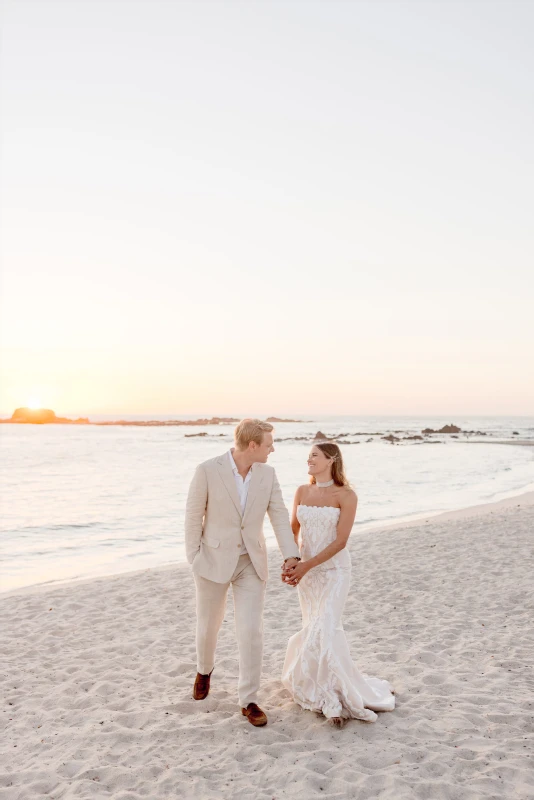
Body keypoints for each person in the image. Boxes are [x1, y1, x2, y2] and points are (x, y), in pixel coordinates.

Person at [185, 418, 300, 727]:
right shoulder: (207, 470)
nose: (272, 449)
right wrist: (194, 557)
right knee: (209, 625)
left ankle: (248, 700)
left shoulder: (268, 474)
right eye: (268, 444)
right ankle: (204, 669)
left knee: (251, 630)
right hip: (211, 561)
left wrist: (291, 554)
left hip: (251, 561)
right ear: (253, 445)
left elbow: (278, 515)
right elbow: (193, 516)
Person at [282, 441, 395, 727]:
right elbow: (292, 532)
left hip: (334, 571)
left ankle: (332, 699)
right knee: (313, 626)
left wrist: (308, 564)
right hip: (308, 576)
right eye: (308, 455)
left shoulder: (346, 495)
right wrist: (292, 562)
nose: (309, 459)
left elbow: (341, 540)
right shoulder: (301, 491)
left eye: (315, 455)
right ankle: (319, 689)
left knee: (327, 627)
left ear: (331, 459)